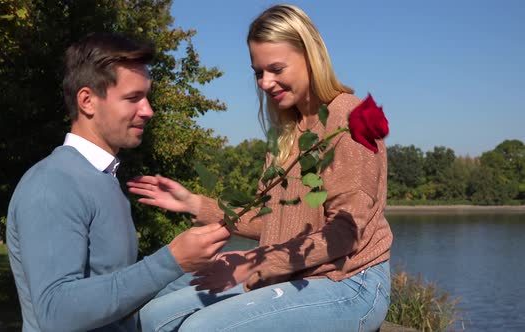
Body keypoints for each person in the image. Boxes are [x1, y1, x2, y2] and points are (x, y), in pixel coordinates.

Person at [127, 4, 392, 332]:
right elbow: (272, 221)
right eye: (258, 72)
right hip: (294, 274)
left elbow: (345, 233)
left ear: (310, 56)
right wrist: (196, 204)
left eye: (276, 69)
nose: (266, 82)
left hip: (351, 282)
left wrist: (256, 261)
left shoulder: (347, 119)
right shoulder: (286, 132)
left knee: (201, 329)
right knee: (151, 319)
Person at [6, 32, 231, 332]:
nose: (148, 110)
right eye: (133, 98)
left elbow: (119, 295)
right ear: (87, 100)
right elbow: (56, 312)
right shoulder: (52, 184)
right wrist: (170, 261)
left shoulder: (102, 179)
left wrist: (195, 267)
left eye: (146, 96)